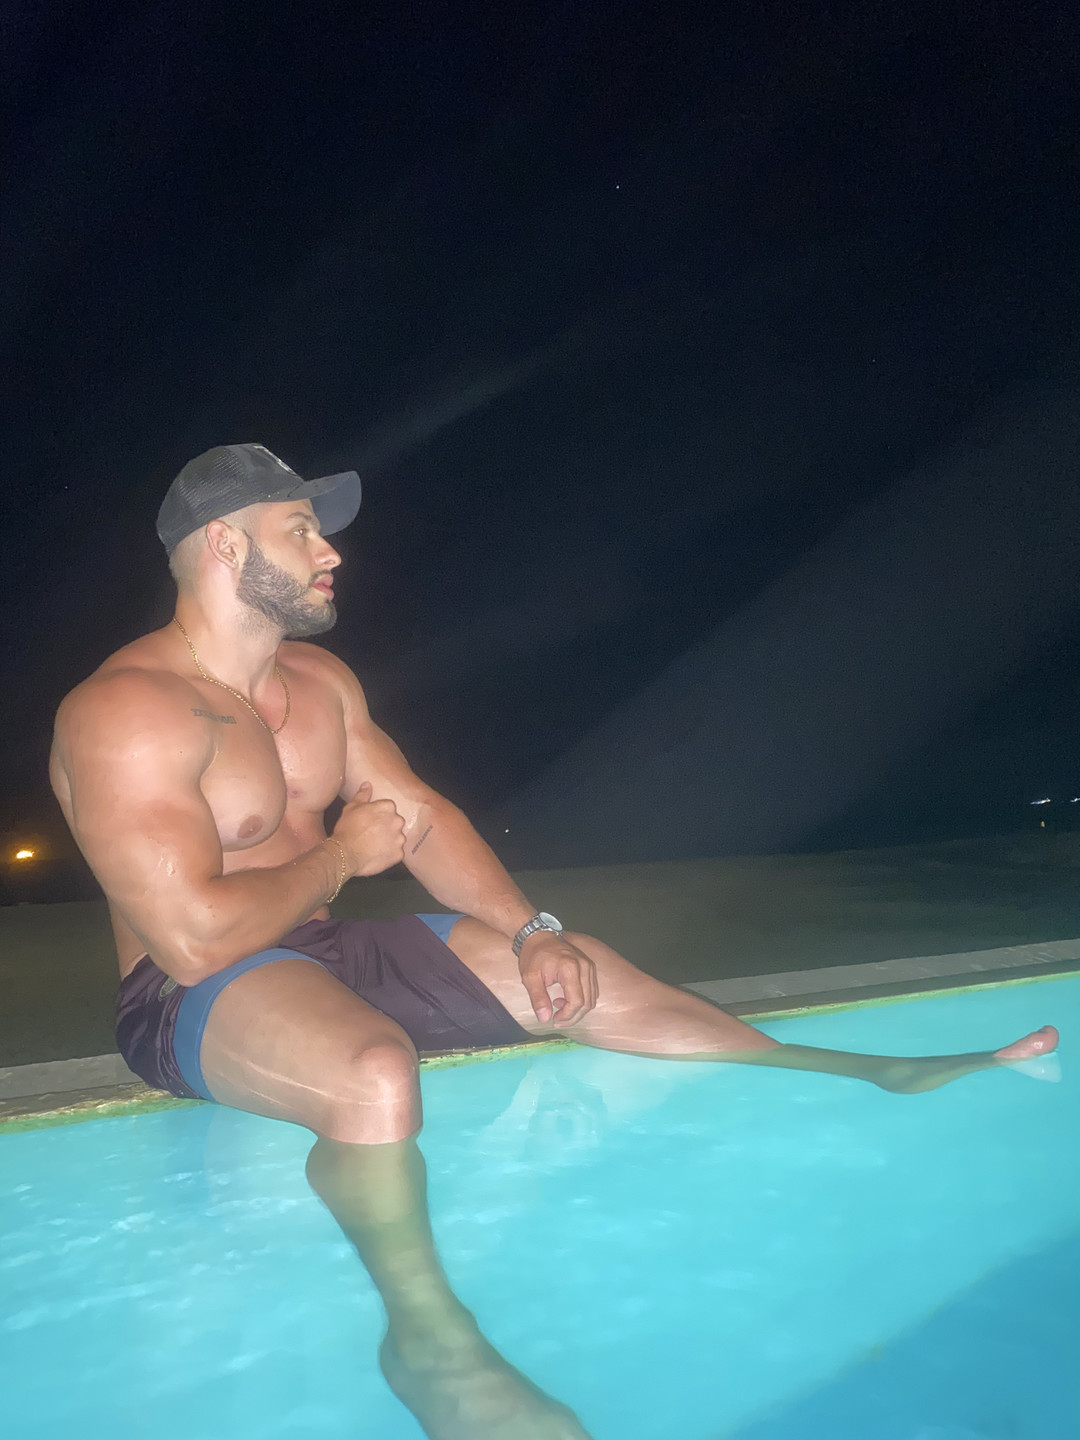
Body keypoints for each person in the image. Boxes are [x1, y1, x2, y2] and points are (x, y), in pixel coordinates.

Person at [50, 443, 1058, 1440]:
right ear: (225, 545)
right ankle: (430, 1341)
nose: (333, 553)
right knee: (373, 1073)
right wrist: (343, 856)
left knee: (589, 975)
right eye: (302, 529)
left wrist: (531, 931)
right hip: (187, 992)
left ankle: (867, 1069)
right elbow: (192, 938)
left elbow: (421, 817)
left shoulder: (320, 682)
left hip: (319, 951)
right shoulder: (128, 710)